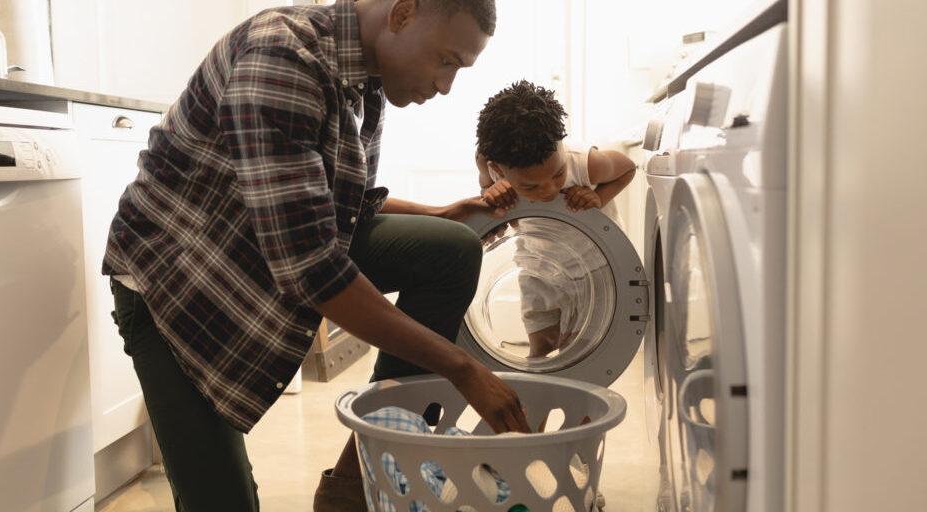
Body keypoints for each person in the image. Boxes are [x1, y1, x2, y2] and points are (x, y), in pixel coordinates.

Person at [102, 1, 531, 511]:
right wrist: (463, 369)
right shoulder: (282, 57)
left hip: (259, 253)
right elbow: (310, 268)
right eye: (446, 60)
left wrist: (443, 213)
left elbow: (338, 207)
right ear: (402, 14)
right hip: (180, 285)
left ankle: (354, 485)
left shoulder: (366, 78)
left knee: (451, 251)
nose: (445, 86)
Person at [474, 80, 637, 358]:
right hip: (536, 265)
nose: (549, 190)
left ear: (561, 145)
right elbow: (486, 188)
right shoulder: (490, 167)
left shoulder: (583, 163)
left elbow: (627, 168)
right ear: (497, 169)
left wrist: (600, 198)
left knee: (577, 351)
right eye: (531, 187)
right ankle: (535, 397)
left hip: (592, 269)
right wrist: (490, 191)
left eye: (557, 175)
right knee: (540, 343)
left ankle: (576, 398)